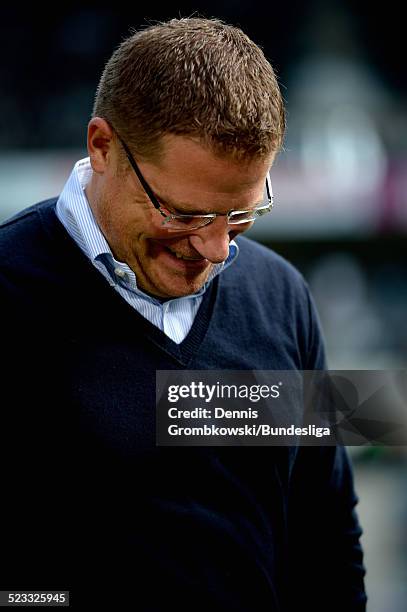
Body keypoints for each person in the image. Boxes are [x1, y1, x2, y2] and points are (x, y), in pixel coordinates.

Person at [0, 17, 366, 611]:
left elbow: (326, 533)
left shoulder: (281, 295)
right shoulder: (12, 292)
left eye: (242, 214)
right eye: (185, 213)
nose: (217, 249)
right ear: (102, 146)